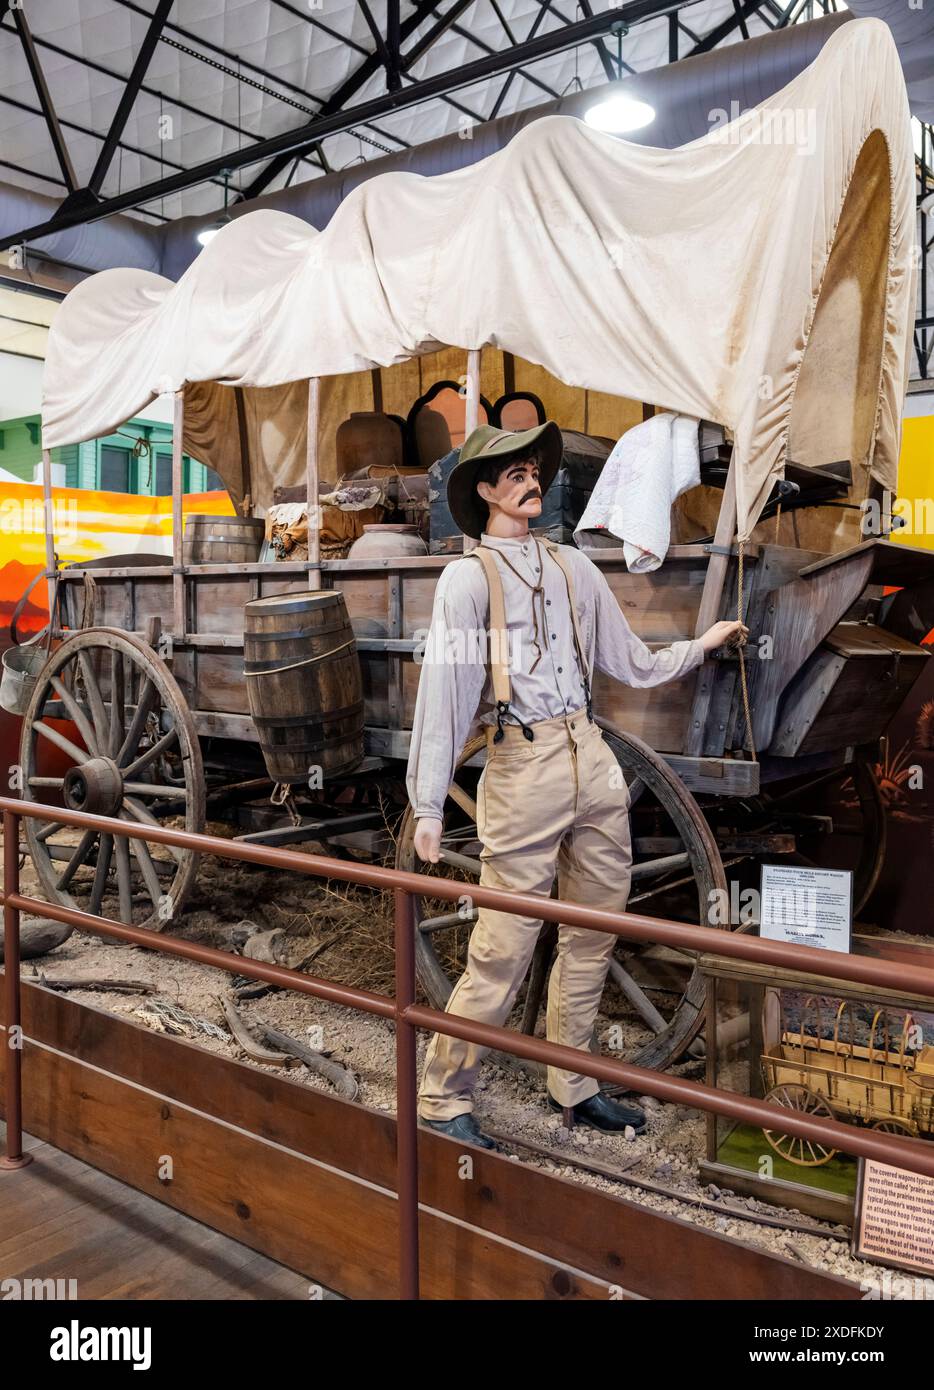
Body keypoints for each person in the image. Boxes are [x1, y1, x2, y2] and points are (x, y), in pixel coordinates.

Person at [406, 420, 748, 1148]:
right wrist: (429, 802)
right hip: (521, 764)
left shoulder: (574, 568)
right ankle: (442, 1096)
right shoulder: (467, 580)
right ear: (485, 490)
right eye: (515, 472)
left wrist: (701, 644)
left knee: (595, 931)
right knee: (503, 945)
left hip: (590, 755)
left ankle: (574, 1081)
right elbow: (445, 694)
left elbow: (631, 661)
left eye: (535, 470)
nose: (532, 481)